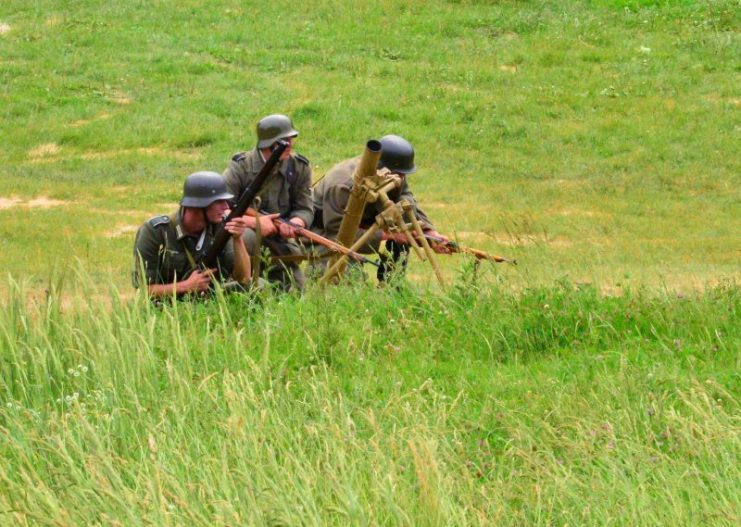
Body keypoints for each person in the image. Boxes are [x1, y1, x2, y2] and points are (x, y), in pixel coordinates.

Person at [311, 134, 449, 282]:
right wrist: (386, 236)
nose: (401, 179)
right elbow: (337, 235)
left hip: (362, 223)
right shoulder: (343, 185)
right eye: (399, 175)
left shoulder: (394, 173)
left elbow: (405, 198)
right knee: (344, 281)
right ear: (381, 169)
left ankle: (391, 289)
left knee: (400, 243)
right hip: (323, 232)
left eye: (403, 175)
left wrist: (428, 232)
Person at [223, 114, 313, 291]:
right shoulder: (241, 166)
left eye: (291, 139)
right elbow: (221, 209)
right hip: (243, 234)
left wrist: (295, 223)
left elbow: (304, 208)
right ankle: (234, 283)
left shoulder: (299, 167)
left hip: (278, 238)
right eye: (284, 140)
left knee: (296, 291)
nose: (290, 144)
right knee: (245, 238)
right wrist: (255, 222)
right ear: (269, 143)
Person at [132, 171, 251, 298]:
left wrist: (237, 239)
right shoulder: (155, 232)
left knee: (259, 285)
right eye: (218, 201)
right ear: (199, 205)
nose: (226, 206)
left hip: (209, 301)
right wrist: (186, 286)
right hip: (168, 307)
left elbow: (244, 279)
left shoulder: (220, 228)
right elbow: (144, 290)